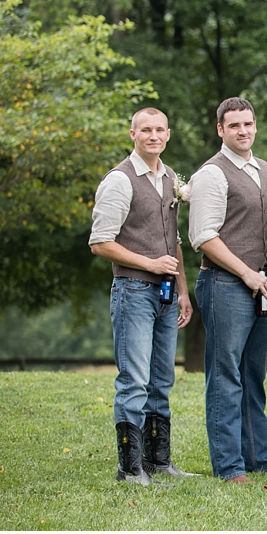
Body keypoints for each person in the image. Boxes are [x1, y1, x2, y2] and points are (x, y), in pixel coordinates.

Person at [188, 97, 267, 483]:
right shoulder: (211, 175)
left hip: (264, 285)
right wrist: (248, 274)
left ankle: (261, 461)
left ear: (255, 125)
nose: (243, 131)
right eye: (233, 125)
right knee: (225, 376)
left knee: (254, 374)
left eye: (248, 124)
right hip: (225, 285)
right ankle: (230, 466)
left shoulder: (266, 171)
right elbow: (204, 237)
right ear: (220, 130)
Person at [90, 107, 196, 485]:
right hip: (133, 290)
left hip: (167, 294)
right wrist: (150, 264)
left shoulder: (169, 177)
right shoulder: (120, 180)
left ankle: (158, 460)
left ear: (168, 135)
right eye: (146, 130)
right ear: (132, 134)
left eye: (160, 130)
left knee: (161, 378)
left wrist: (183, 289)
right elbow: (100, 243)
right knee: (134, 378)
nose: (154, 136)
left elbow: (175, 242)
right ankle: (129, 467)